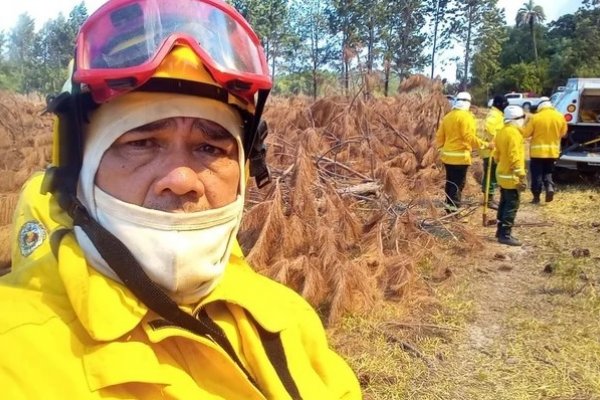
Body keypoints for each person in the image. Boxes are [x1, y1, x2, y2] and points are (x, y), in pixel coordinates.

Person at [0, 1, 361, 398]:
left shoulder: (289, 319)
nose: (183, 180)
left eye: (209, 148)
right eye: (142, 142)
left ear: (244, 170)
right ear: (77, 168)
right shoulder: (16, 348)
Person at [435, 91, 493, 213]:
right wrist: (486, 145)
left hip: (448, 157)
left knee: (450, 183)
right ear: (468, 103)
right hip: (460, 158)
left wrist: (441, 150)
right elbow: (469, 138)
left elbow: (439, 137)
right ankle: (454, 211)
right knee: (458, 185)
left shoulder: (448, 117)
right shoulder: (466, 117)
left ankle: (449, 208)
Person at [522, 97, 568, 203]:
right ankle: (549, 187)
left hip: (537, 153)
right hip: (553, 152)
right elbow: (564, 133)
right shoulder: (560, 116)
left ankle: (536, 197)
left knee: (536, 174)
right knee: (548, 172)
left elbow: (525, 134)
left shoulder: (535, 117)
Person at [494, 105, 527, 246]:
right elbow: (515, 156)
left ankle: (500, 230)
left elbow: (496, 154)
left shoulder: (502, 131)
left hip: (501, 172)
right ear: (516, 119)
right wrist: (520, 173)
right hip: (510, 175)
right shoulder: (513, 133)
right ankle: (505, 235)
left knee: (504, 202)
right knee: (512, 204)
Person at [480, 95, 509, 210]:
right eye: (505, 104)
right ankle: (489, 200)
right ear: (499, 104)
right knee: (490, 176)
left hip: (494, 150)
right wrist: (496, 139)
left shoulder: (498, 114)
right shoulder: (494, 115)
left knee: (492, 176)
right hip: (490, 151)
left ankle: (490, 198)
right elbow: (489, 127)